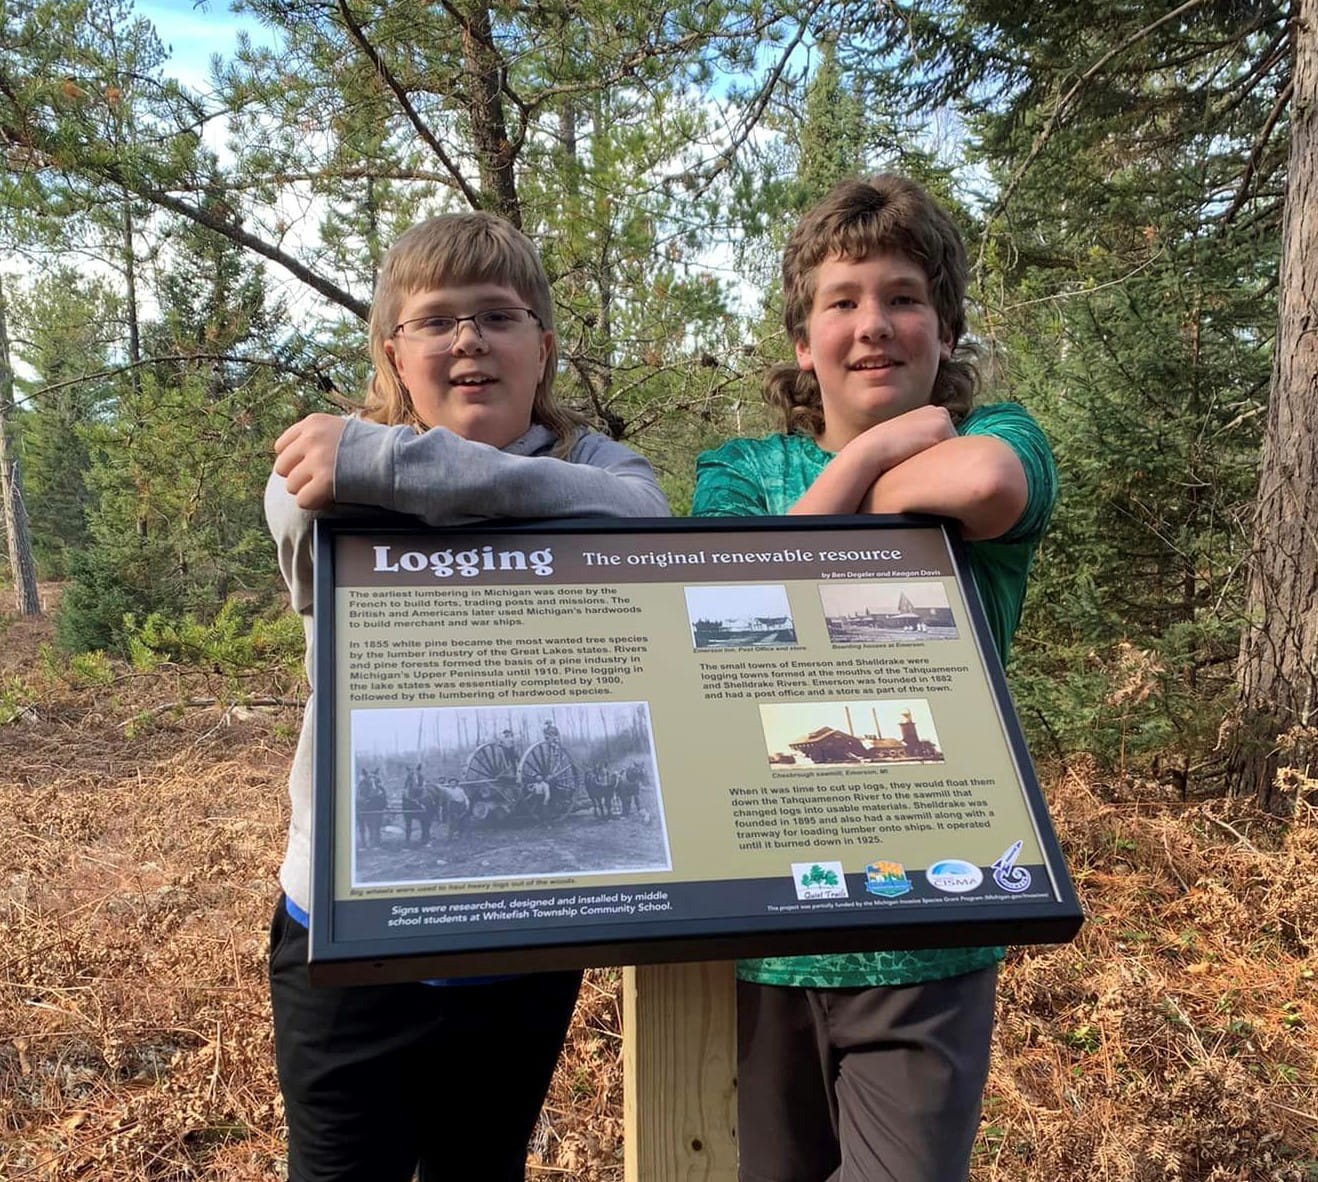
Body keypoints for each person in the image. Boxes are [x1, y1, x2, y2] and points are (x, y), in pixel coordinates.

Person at [266, 209, 669, 1182]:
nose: (468, 341)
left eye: (496, 316)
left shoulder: (596, 468)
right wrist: (370, 460)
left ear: (544, 347)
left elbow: (643, 522)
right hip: (345, 938)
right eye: (435, 320)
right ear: (392, 354)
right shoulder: (331, 462)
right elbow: (297, 498)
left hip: (522, 949)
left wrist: (394, 465)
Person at [692, 175, 1057, 1182]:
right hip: (760, 931)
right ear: (802, 342)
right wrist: (882, 453)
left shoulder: (1003, 433)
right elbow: (737, 600)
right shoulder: (738, 469)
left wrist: (833, 500)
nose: (874, 325)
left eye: (903, 297)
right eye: (842, 301)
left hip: (926, 932)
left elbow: (983, 483)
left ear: (946, 329)